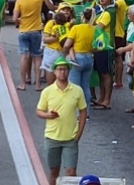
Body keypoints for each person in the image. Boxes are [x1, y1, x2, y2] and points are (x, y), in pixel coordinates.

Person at [36, 57, 87, 185]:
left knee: (71, 173)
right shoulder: (47, 92)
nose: (62, 72)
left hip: (70, 139)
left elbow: (83, 111)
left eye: (64, 69)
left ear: (68, 72)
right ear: (54, 72)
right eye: (59, 69)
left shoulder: (77, 90)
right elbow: (39, 111)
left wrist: (78, 134)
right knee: (54, 172)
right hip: (52, 138)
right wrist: (48, 115)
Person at [14, 0, 46, 91]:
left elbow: (14, 18)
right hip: (36, 31)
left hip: (23, 31)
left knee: (24, 57)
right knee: (37, 57)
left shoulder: (20, 1)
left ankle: (22, 84)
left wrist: (19, 20)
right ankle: (38, 84)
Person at [64, 7, 96, 107]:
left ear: (82, 16)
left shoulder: (76, 28)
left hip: (77, 58)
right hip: (89, 58)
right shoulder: (95, 29)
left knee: (74, 87)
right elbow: (98, 46)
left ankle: (76, 114)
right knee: (85, 87)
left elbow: (66, 45)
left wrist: (66, 54)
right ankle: (86, 113)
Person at [92, 0, 116, 110]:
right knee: (101, 73)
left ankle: (106, 100)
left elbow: (98, 28)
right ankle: (101, 98)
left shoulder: (108, 12)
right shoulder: (103, 12)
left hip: (105, 45)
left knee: (106, 74)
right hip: (100, 45)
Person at [42, 3, 71, 86]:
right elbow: (45, 39)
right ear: (58, 11)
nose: (66, 11)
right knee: (51, 82)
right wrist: (56, 38)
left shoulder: (70, 24)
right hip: (52, 52)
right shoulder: (51, 23)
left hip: (64, 54)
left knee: (62, 81)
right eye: (63, 9)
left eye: (68, 10)